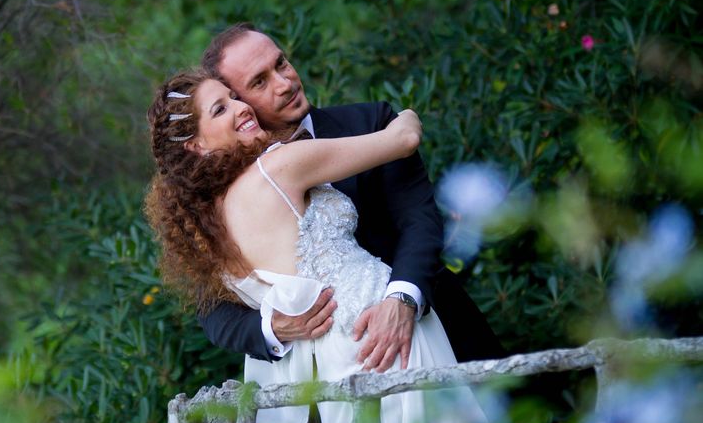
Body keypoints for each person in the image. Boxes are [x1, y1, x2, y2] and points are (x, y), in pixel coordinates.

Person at [144, 70, 486, 423]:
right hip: (385, 333)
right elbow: (403, 139)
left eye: (233, 97)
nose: (242, 108)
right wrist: (405, 113)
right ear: (195, 146)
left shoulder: (207, 228)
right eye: (221, 109)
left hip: (335, 359)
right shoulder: (277, 168)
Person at [197, 24, 504, 369]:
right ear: (237, 102)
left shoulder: (372, 123)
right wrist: (273, 327)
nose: (284, 84)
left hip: (433, 327)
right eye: (259, 82)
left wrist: (402, 299)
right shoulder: (225, 195)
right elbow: (211, 308)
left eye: (281, 64)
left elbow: (419, 219)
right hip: (321, 373)